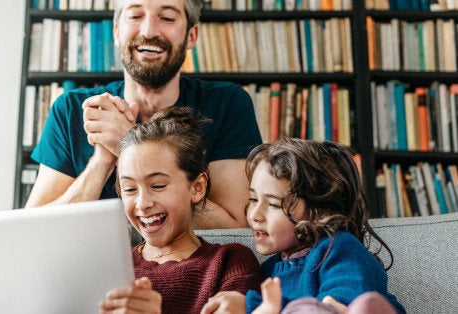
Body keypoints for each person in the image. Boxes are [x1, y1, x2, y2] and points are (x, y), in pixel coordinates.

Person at [24, 0, 262, 229]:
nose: (148, 31)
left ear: (191, 35)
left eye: (167, 17)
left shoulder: (228, 103)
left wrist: (127, 145)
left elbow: (235, 227)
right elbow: (32, 229)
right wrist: (101, 162)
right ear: (117, 31)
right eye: (135, 15)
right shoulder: (72, 108)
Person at [201, 138, 406, 314]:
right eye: (253, 199)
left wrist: (253, 306)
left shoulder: (339, 248)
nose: (254, 215)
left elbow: (340, 305)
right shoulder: (269, 270)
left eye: (273, 204)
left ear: (320, 211)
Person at [99, 106, 263, 313]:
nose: (142, 203)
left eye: (158, 186)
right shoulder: (111, 268)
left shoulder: (230, 261)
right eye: (129, 189)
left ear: (197, 187)